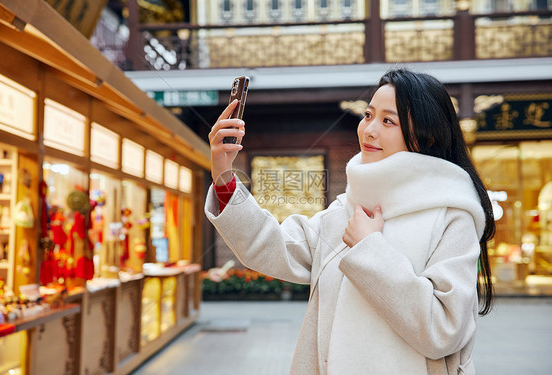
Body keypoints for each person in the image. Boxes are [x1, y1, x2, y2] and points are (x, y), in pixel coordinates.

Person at [205, 68, 495, 375]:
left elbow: (444, 330)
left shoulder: (452, 215)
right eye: (368, 115)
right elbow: (272, 246)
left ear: (428, 135)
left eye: (388, 121)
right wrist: (223, 175)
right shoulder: (350, 207)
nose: (369, 129)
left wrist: (370, 249)